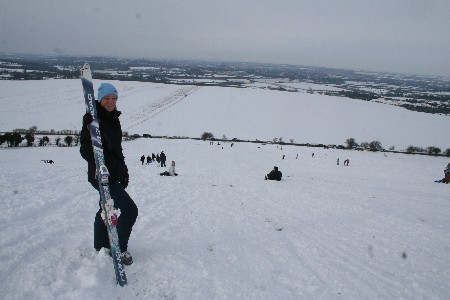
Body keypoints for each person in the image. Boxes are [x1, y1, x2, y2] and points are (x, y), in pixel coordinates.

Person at [80, 82, 138, 265]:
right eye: (107, 98)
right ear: (99, 99)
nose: (111, 102)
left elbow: (116, 150)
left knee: (105, 208)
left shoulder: (113, 118)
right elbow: (85, 152)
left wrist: (124, 171)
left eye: (114, 98)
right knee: (130, 210)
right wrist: (90, 133)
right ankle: (118, 249)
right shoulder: (92, 120)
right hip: (101, 175)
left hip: (113, 174)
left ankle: (100, 246)